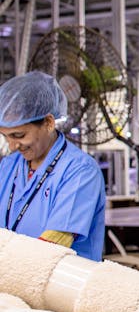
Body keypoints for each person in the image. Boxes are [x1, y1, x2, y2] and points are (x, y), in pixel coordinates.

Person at [0, 71, 106, 260]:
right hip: (12, 281)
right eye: (5, 137)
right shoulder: (8, 166)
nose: (12, 146)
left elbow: (54, 244)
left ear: (48, 123)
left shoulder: (80, 171)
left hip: (63, 284)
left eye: (19, 136)